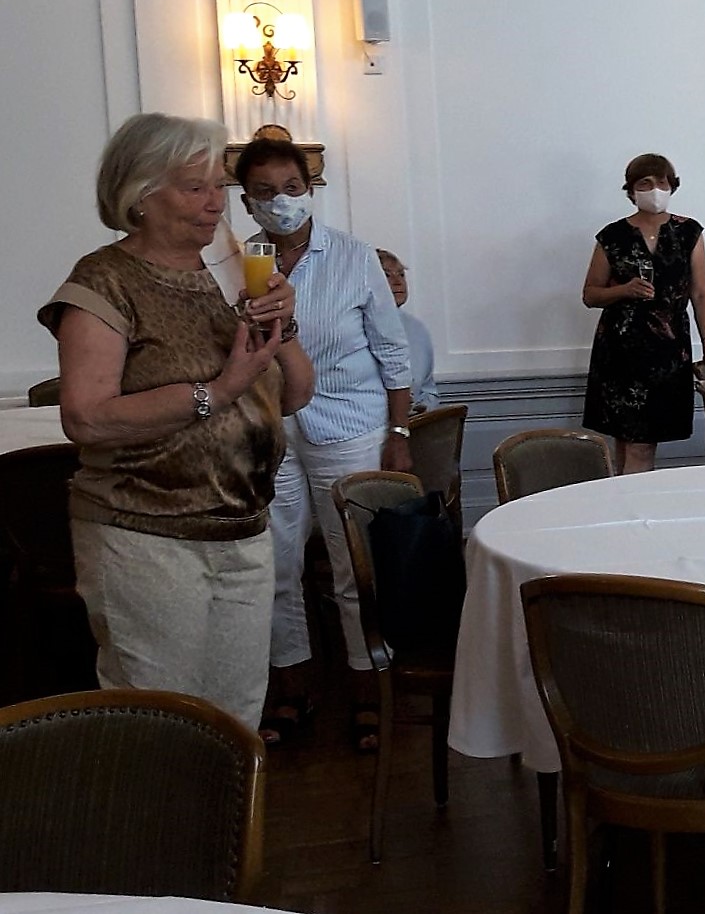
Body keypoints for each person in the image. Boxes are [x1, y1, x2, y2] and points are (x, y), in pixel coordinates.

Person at [38, 112, 314, 730]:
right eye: (194, 188)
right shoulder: (105, 281)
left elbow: (295, 395)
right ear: (139, 195)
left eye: (219, 185)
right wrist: (219, 391)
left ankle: (225, 801)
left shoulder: (229, 273)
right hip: (146, 536)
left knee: (236, 719)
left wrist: (283, 323)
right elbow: (86, 418)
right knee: (161, 724)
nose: (216, 202)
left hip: (243, 529)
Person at [234, 136, 414, 749]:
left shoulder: (354, 257)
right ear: (246, 200)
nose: (280, 201)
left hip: (350, 426)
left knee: (354, 568)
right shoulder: (238, 263)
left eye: (291, 188)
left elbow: (393, 351)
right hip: (271, 429)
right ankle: (294, 688)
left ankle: (368, 692)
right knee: (277, 564)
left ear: (310, 190)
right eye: (264, 192)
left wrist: (399, 432)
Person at [580, 153, 705, 473]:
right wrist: (624, 290)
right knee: (628, 442)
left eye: (661, 182)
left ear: (672, 186)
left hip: (668, 350)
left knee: (641, 442)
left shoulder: (689, 232)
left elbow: (701, 292)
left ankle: (629, 499)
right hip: (620, 351)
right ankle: (629, 499)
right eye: (645, 183)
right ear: (632, 190)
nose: (655, 189)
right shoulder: (612, 236)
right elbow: (590, 294)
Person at [377, 249, 439, 412]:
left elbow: (428, 389)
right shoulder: (352, 330)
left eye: (401, 275)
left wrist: (424, 408)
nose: (398, 282)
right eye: (387, 275)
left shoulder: (417, 330)